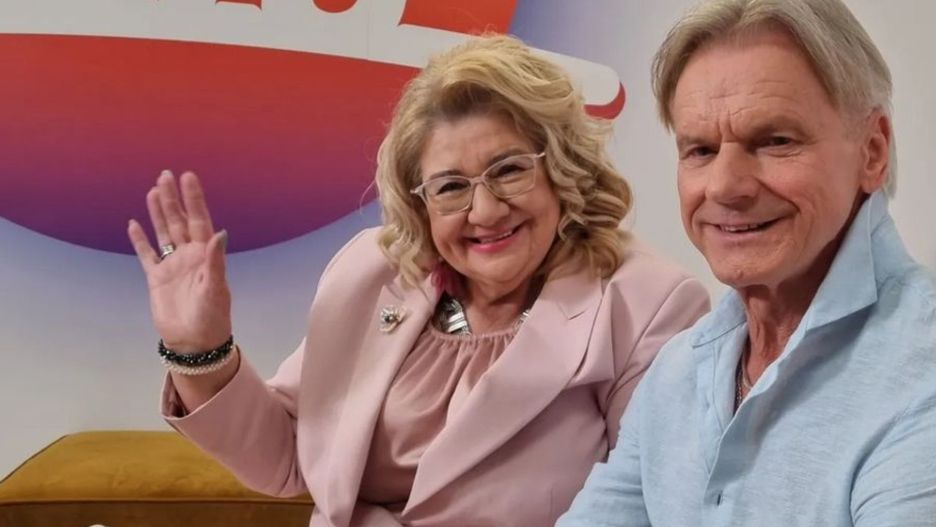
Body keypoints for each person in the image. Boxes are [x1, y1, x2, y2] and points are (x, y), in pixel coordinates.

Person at [126, 35, 709, 527]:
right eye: (451, 187)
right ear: (420, 203)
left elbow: (648, 508)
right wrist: (200, 349)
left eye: (509, 170)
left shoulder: (647, 303)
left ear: (561, 169)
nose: (485, 210)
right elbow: (285, 461)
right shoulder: (371, 271)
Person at [558, 0, 936, 526]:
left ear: (872, 152)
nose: (725, 186)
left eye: (775, 141)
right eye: (700, 150)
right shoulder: (677, 370)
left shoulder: (922, 370)